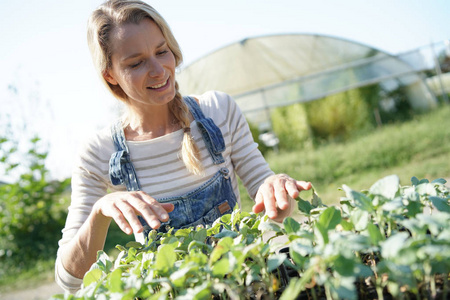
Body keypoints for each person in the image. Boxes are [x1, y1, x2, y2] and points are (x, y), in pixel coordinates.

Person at [55, 0, 311, 293]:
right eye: (136, 63)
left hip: (246, 286)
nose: (158, 70)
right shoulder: (99, 153)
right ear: (110, 75)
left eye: (162, 51)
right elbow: (69, 279)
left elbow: (263, 188)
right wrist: (99, 212)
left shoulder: (218, 111)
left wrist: (276, 188)